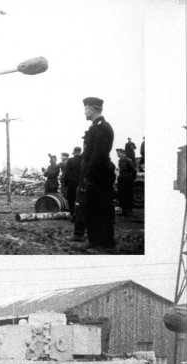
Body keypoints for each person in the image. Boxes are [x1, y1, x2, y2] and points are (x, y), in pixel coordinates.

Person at [74, 97, 116, 252]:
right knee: (91, 209)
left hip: (99, 175)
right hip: (95, 174)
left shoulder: (102, 127)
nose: (84, 112)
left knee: (100, 209)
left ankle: (104, 243)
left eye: (86, 109)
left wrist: (89, 176)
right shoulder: (95, 127)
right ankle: (95, 241)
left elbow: (98, 155)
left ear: (92, 109)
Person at [62, 146, 83, 220]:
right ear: (80, 152)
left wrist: (65, 183)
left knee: (71, 199)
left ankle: (73, 214)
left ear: (74, 152)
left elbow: (67, 173)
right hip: (82, 182)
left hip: (72, 182)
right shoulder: (84, 159)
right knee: (81, 199)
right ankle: (80, 215)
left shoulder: (70, 160)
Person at [116, 148, 138, 217]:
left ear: (123, 153)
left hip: (127, 179)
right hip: (121, 179)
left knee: (128, 195)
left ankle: (129, 211)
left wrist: (132, 179)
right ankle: (124, 211)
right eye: (117, 153)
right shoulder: (120, 161)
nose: (117, 154)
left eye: (119, 153)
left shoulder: (128, 160)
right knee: (121, 195)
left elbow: (134, 171)